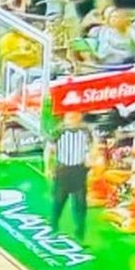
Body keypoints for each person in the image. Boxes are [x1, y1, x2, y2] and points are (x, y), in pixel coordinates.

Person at [45, 98, 98, 241]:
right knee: (58, 202)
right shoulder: (58, 131)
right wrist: (48, 167)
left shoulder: (86, 131)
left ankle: (80, 233)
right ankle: (53, 227)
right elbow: (49, 150)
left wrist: (91, 158)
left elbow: (94, 146)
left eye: (76, 116)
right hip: (63, 170)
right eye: (70, 117)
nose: (73, 120)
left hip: (79, 171)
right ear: (66, 117)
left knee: (80, 204)